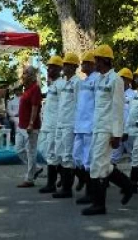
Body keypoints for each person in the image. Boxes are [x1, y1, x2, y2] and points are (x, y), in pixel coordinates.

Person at [81, 45, 133, 216]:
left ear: (105, 60)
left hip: (107, 129)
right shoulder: (100, 80)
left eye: (97, 59)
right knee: (102, 164)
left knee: (97, 164)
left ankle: (99, 205)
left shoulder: (115, 80)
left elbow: (118, 108)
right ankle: (128, 185)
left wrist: (117, 134)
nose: (94, 62)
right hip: (97, 127)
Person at [51, 53, 80, 199]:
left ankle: (67, 189)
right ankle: (64, 184)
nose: (66, 67)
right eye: (65, 64)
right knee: (60, 155)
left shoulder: (77, 83)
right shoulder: (64, 83)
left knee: (68, 156)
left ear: (75, 67)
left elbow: (80, 105)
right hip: (61, 123)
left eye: (69, 65)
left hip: (70, 124)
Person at [73, 51, 99, 204]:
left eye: (85, 63)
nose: (82, 66)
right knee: (76, 158)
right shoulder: (84, 81)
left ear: (92, 65)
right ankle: (87, 184)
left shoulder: (97, 80)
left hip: (90, 127)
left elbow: (98, 105)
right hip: (79, 126)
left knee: (88, 162)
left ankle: (91, 193)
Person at [37, 55, 64, 194]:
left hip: (55, 125)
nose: (49, 70)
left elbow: (63, 107)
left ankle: (51, 183)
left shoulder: (61, 84)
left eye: (53, 67)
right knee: (46, 151)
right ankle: (65, 176)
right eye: (48, 67)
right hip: (47, 124)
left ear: (60, 69)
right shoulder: (53, 85)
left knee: (52, 154)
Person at [16, 66, 43, 188]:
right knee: (19, 149)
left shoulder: (35, 88)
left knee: (31, 152)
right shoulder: (26, 89)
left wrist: (31, 123)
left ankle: (29, 179)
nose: (23, 75)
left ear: (31, 76)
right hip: (21, 125)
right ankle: (35, 168)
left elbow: (35, 106)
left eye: (26, 73)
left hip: (30, 126)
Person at [109, 68, 136, 171]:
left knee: (135, 155)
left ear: (128, 80)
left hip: (128, 131)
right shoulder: (115, 93)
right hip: (117, 130)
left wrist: (127, 131)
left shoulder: (133, 95)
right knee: (113, 156)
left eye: (123, 78)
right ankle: (106, 181)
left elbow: (132, 114)